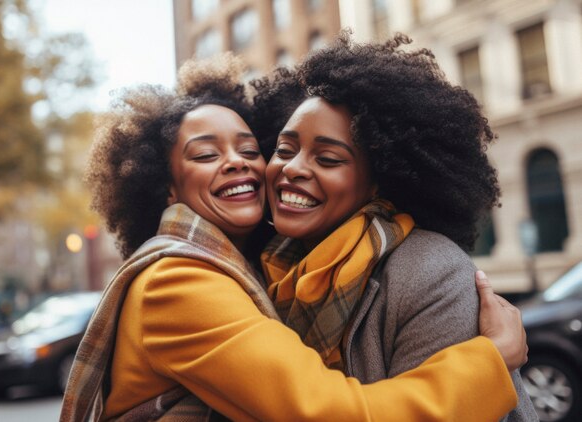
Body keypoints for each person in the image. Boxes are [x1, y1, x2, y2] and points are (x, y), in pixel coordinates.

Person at [60, 54, 526, 422]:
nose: (241, 162)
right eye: (205, 154)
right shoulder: (178, 282)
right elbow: (329, 413)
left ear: (378, 178)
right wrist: (492, 361)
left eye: (249, 150)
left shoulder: (425, 270)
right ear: (165, 187)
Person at [251, 33, 537, 420]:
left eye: (328, 158)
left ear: (377, 181)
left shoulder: (431, 273)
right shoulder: (270, 271)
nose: (293, 168)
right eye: (284, 150)